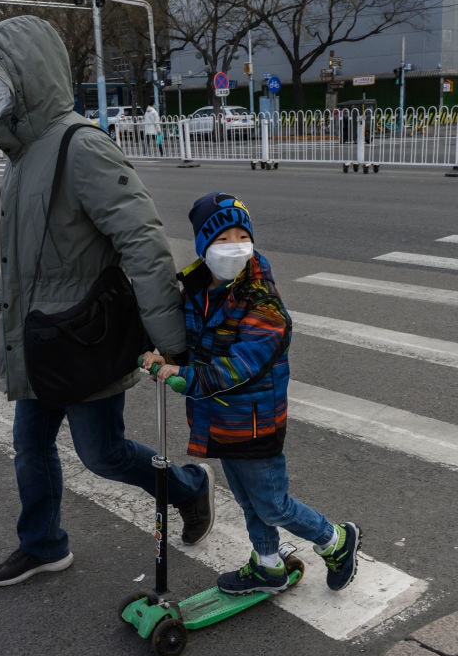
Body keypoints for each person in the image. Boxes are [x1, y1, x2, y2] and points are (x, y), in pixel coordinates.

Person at [0, 15, 214, 588]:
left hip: (83, 336)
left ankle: (189, 488)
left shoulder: (83, 146)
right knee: (30, 446)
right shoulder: (20, 155)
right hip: (36, 337)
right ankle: (43, 544)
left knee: (103, 454)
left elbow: (142, 242)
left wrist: (172, 340)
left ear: (28, 75)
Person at [141, 193, 361, 595]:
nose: (235, 246)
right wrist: (167, 358)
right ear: (204, 245)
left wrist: (187, 377)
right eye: (223, 238)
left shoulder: (262, 300)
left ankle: (335, 540)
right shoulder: (197, 288)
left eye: (243, 236)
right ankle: (268, 563)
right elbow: (192, 343)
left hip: (255, 420)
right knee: (246, 498)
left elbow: (244, 364)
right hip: (222, 417)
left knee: (272, 504)